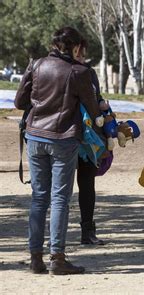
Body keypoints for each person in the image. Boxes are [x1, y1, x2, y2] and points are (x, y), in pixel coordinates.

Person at [14, 27, 101, 275]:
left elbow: (20, 102)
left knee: (39, 198)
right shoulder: (80, 72)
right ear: (75, 47)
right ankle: (58, 258)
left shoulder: (36, 64)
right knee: (60, 199)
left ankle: (35, 258)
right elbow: (93, 111)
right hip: (63, 138)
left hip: (34, 137)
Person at [75, 41, 109, 245]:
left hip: (88, 136)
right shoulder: (63, 71)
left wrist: (104, 108)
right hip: (65, 135)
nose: (81, 58)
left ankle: (87, 231)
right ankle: (50, 236)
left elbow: (95, 97)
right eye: (77, 54)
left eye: (83, 55)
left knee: (87, 183)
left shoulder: (89, 72)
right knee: (58, 187)